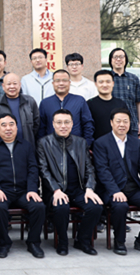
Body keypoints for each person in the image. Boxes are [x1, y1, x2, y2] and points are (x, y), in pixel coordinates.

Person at [93, 108, 140, 256]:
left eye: (125, 121)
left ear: (130, 123)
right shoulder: (101, 143)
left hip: (133, 188)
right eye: (118, 121)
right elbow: (102, 171)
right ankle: (119, 241)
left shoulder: (136, 143)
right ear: (111, 123)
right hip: (110, 189)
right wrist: (115, 191)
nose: (122, 124)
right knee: (120, 206)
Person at [37, 109, 103, 256]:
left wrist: (89, 188)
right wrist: (56, 190)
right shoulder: (44, 143)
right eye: (59, 122)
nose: (63, 126)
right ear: (53, 124)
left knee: (96, 207)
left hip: (78, 189)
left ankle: (82, 240)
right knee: (61, 207)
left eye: (66, 122)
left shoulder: (81, 142)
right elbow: (43, 170)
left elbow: (89, 168)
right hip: (56, 190)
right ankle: (62, 241)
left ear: (72, 124)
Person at [0, 113, 45, 259]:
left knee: (39, 207)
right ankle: (3, 243)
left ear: (17, 127)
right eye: (3, 125)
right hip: (3, 190)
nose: (8, 128)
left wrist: (32, 189)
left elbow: (33, 169)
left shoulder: (26, 146)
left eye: (11, 124)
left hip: (24, 191)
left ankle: (33, 242)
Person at [38, 69, 95, 147]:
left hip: (76, 146)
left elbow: (88, 124)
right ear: (53, 83)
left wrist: (86, 145)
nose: (61, 83)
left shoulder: (79, 101)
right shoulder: (45, 103)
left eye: (64, 80)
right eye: (57, 81)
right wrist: (42, 147)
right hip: (51, 148)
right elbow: (41, 128)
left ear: (69, 82)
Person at [0, 73, 40, 145]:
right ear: (3, 86)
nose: (12, 86)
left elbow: (36, 123)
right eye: (9, 84)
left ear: (20, 85)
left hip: (27, 144)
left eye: (15, 83)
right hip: (4, 145)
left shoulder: (30, 101)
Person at [109, 48, 140, 137]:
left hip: (131, 124)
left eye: (121, 57)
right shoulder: (107, 78)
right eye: (115, 57)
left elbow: (139, 102)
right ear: (111, 60)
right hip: (111, 125)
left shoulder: (133, 79)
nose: (118, 59)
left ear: (126, 59)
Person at [88, 70, 128, 140]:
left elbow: (127, 124)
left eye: (108, 82)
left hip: (118, 143)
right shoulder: (89, 104)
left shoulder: (121, 104)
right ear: (96, 84)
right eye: (101, 82)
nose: (105, 85)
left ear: (113, 83)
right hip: (97, 144)